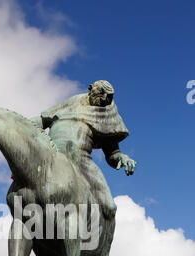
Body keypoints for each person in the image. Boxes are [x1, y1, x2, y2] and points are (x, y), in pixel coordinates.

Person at [30, 80, 137, 221]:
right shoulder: (73, 101)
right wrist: (20, 127)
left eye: (108, 97)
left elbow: (112, 153)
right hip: (50, 156)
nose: (104, 99)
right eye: (101, 93)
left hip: (82, 163)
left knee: (109, 206)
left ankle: (102, 240)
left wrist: (122, 158)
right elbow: (42, 121)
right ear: (90, 89)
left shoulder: (108, 114)